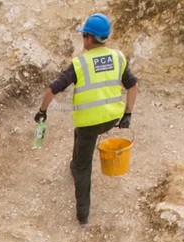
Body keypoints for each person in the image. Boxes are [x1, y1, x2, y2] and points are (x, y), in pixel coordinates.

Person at [34, 13, 139, 226]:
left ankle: (83, 214)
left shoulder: (80, 63)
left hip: (89, 123)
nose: (83, 40)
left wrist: (42, 111)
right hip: (112, 118)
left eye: (84, 36)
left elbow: (52, 90)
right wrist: (127, 114)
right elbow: (133, 85)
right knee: (80, 138)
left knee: (84, 166)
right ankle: (74, 166)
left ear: (90, 38)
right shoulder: (118, 57)